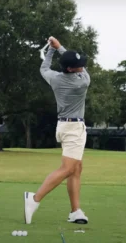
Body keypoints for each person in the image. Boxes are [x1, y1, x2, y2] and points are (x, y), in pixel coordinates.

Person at [24, 37, 91, 225]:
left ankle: (75, 211)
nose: (82, 67)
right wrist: (59, 46)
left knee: (76, 169)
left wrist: (52, 51)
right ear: (70, 69)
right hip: (74, 129)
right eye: (78, 65)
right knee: (68, 168)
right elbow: (79, 70)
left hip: (63, 127)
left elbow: (44, 68)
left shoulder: (55, 78)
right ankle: (34, 198)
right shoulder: (82, 82)